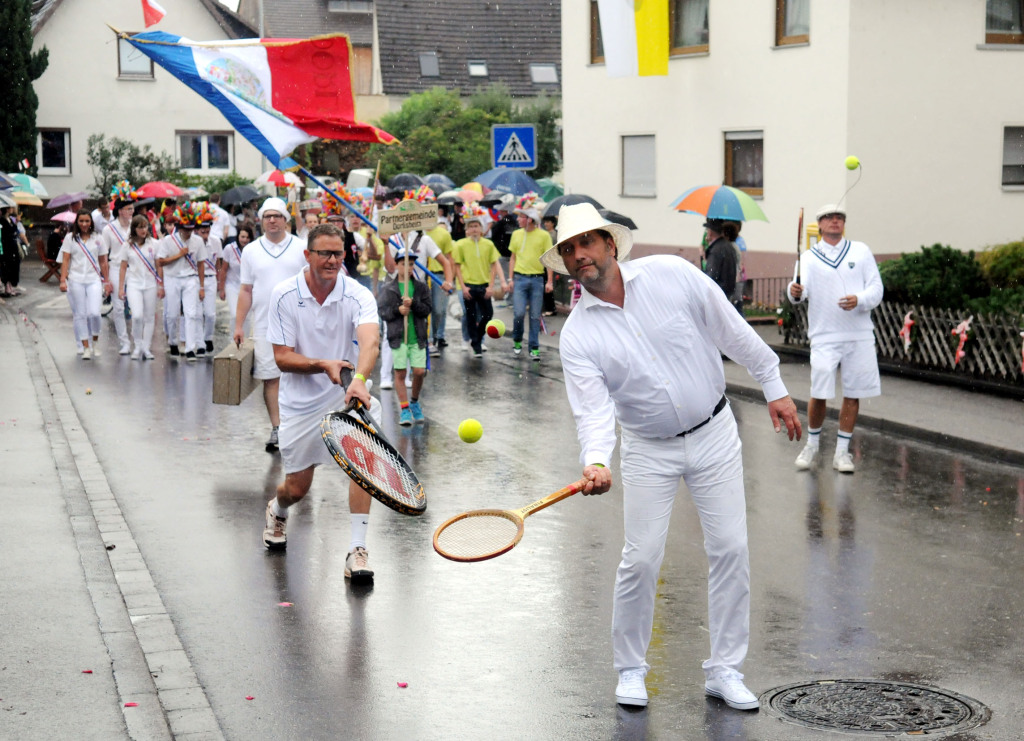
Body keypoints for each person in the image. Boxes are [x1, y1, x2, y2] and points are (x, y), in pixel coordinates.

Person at [540, 203, 801, 711]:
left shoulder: (673, 274)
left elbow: (732, 330)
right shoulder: (578, 335)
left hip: (714, 433)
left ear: (610, 244)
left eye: (586, 243)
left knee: (730, 549)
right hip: (646, 448)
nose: (579, 256)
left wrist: (775, 386)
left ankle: (725, 670)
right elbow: (592, 411)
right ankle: (631, 669)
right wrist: (597, 460)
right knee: (640, 559)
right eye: (569, 250)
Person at [263, 224, 381, 583]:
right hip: (299, 402)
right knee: (296, 489)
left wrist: (359, 380)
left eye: (338, 254)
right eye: (325, 254)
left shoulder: (357, 294)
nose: (332, 260)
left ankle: (357, 550)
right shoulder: (283, 295)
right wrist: (322, 364)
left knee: (363, 465)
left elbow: (370, 341)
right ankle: (278, 508)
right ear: (307, 255)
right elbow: (282, 358)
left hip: (346, 395)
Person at [787, 204, 883, 473]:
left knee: (853, 393)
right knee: (819, 393)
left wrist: (859, 299)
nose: (834, 221)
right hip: (824, 334)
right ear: (819, 224)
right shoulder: (808, 257)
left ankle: (842, 452)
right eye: (829, 218)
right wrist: (793, 291)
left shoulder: (860, 251)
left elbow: (876, 289)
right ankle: (812, 445)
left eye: (839, 217)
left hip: (858, 335)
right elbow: (798, 294)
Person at [233, 197, 308, 452]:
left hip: (299, 322)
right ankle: (277, 428)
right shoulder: (251, 250)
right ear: (261, 221)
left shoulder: (301, 247)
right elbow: (246, 290)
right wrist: (239, 325)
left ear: (286, 220)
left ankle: (297, 426)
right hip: (265, 323)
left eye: (277, 216)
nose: (272, 220)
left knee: (299, 375)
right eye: (267, 216)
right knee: (271, 377)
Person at [378, 246, 432, 425]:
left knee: (419, 371)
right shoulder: (389, 289)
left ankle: (415, 401)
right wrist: (398, 310)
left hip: (417, 337)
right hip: (398, 337)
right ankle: (404, 409)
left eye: (411, 264)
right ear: (397, 265)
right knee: (400, 373)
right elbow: (383, 312)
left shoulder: (421, 288)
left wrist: (414, 304)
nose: (407, 267)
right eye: (403, 263)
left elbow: (427, 310)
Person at [451, 203, 507, 358]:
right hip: (468, 285)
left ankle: (477, 337)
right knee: (469, 316)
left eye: (477, 226)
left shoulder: (488, 244)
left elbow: (494, 265)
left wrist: (491, 286)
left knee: (488, 314)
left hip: (483, 286)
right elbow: (456, 266)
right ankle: (475, 344)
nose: (474, 229)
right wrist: (463, 287)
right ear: (467, 230)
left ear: (482, 229)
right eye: (471, 226)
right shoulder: (460, 244)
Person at [156, 203, 207, 362]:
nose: (188, 232)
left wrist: (202, 286)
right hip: (172, 278)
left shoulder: (198, 241)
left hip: (190, 279)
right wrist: (179, 255)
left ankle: (190, 348)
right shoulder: (168, 241)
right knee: (172, 314)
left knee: (191, 313)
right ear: (179, 227)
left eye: (191, 229)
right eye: (185, 229)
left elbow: (200, 264)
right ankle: (172, 342)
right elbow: (161, 262)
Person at [507, 194, 554, 361]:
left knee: (535, 315)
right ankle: (517, 339)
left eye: (522, 216)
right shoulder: (516, 234)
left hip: (536, 280)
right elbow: (512, 257)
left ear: (531, 219)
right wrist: (510, 279)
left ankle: (534, 347)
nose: (518, 219)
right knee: (519, 313)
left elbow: (548, 259)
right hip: (519, 279)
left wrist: (549, 281)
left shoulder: (543, 236)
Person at [59, 209, 111, 359]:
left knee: (94, 313)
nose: (84, 224)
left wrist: (106, 281)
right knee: (80, 314)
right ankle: (85, 347)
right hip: (76, 279)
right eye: (81, 221)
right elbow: (66, 260)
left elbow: (103, 261)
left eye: (87, 221)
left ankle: (94, 341)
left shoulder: (98, 238)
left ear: (91, 222)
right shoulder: (70, 238)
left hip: (93, 279)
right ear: (77, 222)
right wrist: (63, 280)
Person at [102, 183, 138, 354]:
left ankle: (138, 341)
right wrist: (106, 279)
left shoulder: (136, 226)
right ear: (121, 210)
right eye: (129, 209)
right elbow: (103, 255)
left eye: (132, 208)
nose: (132, 211)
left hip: (135, 269)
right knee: (118, 306)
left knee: (138, 306)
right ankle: (124, 342)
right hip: (116, 268)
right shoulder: (108, 229)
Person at [118, 214, 160, 360]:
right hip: (134, 284)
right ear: (134, 229)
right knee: (137, 316)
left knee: (149, 317)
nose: (143, 230)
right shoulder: (127, 245)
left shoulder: (154, 243)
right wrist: (120, 288)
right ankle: (137, 345)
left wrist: (161, 284)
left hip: (150, 284)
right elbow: (123, 267)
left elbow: (158, 265)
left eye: (145, 226)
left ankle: (146, 348)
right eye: (140, 227)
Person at [424, 210, 455, 355]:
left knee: (439, 310)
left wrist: (450, 280)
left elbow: (449, 259)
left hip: (440, 277)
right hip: (424, 277)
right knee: (426, 309)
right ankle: (429, 340)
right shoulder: (419, 234)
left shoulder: (444, 234)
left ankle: (435, 335)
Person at [194, 206, 221, 355]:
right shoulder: (193, 242)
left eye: (207, 230)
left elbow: (219, 262)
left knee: (210, 314)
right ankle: (199, 343)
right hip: (196, 280)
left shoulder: (216, 241)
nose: (205, 234)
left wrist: (218, 280)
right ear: (196, 230)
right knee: (197, 313)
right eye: (202, 231)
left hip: (210, 279)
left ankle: (208, 337)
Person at [218, 224, 252, 336]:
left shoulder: (253, 249)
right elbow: (223, 269)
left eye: (247, 237)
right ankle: (233, 339)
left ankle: (244, 338)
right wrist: (221, 288)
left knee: (246, 316)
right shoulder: (229, 249)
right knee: (234, 315)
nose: (245, 240)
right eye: (242, 237)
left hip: (248, 287)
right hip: (232, 285)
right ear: (238, 236)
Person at [702, 219, 740, 314]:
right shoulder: (728, 247)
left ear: (710, 232)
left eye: (707, 230)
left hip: (716, 296)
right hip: (726, 294)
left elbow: (711, 276)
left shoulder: (716, 250)